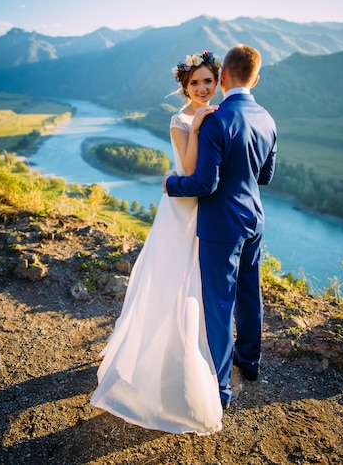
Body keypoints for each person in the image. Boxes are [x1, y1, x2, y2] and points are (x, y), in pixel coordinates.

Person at [90, 50, 224, 435]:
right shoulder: (181, 119)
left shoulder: (217, 114)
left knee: (194, 290)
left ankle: (179, 366)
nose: (202, 88)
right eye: (195, 82)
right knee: (171, 285)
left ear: (217, 83)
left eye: (208, 81)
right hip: (180, 213)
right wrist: (196, 127)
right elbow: (188, 169)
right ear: (184, 87)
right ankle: (151, 375)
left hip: (205, 213)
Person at [164, 45, 277, 410]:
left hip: (220, 227)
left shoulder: (215, 120)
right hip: (253, 220)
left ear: (223, 78)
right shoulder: (267, 118)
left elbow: (204, 185)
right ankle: (252, 362)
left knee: (218, 305)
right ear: (255, 79)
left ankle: (220, 388)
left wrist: (171, 185)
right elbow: (265, 176)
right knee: (249, 294)